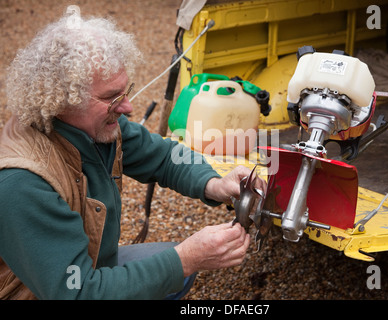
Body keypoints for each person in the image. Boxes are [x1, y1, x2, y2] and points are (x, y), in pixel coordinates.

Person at [0, 7, 263, 300]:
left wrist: (215, 184)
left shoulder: (95, 126)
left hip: (82, 277)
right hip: (46, 292)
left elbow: (164, 157)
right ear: (63, 100)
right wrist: (185, 259)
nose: (127, 107)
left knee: (175, 270)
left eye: (126, 92)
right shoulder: (22, 182)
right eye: (111, 97)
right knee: (177, 265)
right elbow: (77, 292)